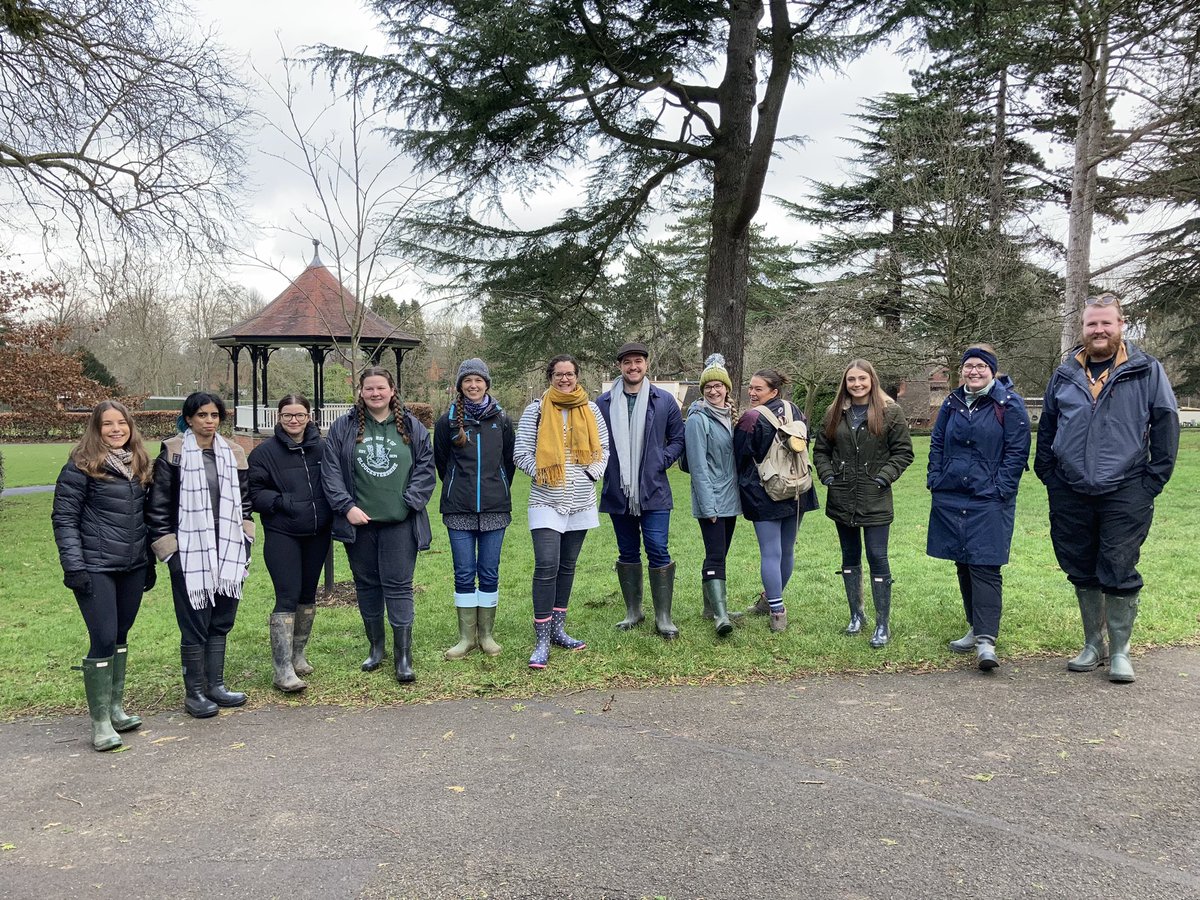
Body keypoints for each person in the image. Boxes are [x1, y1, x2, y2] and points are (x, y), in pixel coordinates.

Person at [1035, 293, 1179, 683]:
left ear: (1120, 325)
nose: (1098, 330)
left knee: (1117, 565)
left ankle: (1120, 652)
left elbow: (1166, 424)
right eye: (1091, 324)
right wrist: (1048, 473)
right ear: (1082, 329)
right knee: (1080, 566)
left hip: (1127, 486)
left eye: (1106, 323)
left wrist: (1154, 479)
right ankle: (1092, 644)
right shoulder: (1064, 374)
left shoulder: (1146, 370)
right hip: (1069, 487)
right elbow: (1048, 426)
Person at [52, 401, 154, 750]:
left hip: (133, 565)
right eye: (107, 424)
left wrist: (149, 563)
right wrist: (74, 567)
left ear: (130, 427)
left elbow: (144, 518)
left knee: (121, 634)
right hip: (95, 567)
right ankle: (98, 724)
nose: (115, 429)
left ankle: (114, 708)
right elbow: (64, 520)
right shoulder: (79, 468)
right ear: (95, 429)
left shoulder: (139, 464)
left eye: (121, 423)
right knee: (104, 637)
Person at [323, 366, 436, 683]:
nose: (375, 393)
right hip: (359, 524)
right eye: (369, 388)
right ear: (360, 391)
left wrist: (409, 502)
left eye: (380, 388)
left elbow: (426, 470)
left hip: (400, 523)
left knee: (399, 587)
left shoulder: (411, 427)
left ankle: (403, 656)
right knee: (367, 586)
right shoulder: (343, 428)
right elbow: (330, 472)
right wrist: (346, 507)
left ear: (392, 391)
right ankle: (376, 648)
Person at [146, 392, 254, 718]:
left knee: (221, 619)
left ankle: (215, 686)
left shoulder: (233, 453)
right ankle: (194, 693)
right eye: (202, 415)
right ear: (189, 419)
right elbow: (158, 509)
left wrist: (246, 539)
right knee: (195, 622)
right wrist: (171, 555)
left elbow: (245, 504)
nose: (209, 421)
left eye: (214, 415)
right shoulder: (173, 455)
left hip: (229, 549)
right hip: (189, 553)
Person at [927, 345, 1030, 670]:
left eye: (980, 366)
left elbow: (1017, 451)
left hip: (989, 497)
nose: (973, 371)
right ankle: (974, 628)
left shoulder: (1009, 404)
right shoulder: (952, 402)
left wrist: (1002, 488)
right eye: (968, 366)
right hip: (952, 492)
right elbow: (938, 441)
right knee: (962, 560)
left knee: (985, 563)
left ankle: (987, 641)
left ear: (992, 370)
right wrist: (935, 477)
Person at [513, 354, 609, 669]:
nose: (564, 379)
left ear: (577, 376)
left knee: (567, 566)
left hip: (581, 500)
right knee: (546, 564)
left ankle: (558, 629)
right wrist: (542, 473)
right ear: (550, 377)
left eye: (569, 374)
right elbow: (521, 452)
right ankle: (541, 636)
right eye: (558, 374)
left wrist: (591, 474)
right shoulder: (536, 410)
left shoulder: (591, 409)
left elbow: (604, 449)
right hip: (545, 499)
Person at [814, 359, 914, 647]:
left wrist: (883, 477)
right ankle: (856, 615)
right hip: (842, 496)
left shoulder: (890, 412)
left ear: (872, 380)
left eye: (862, 379)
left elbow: (903, 452)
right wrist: (829, 476)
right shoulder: (835, 413)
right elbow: (821, 449)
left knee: (877, 556)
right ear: (845, 383)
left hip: (875, 498)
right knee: (849, 556)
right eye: (851, 380)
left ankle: (883, 623)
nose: (856, 384)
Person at [596, 341, 686, 638]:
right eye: (627, 362)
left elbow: (678, 437)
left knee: (658, 548)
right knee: (627, 550)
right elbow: (594, 442)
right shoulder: (603, 404)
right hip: (617, 490)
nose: (633, 367)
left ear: (646, 365)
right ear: (619, 367)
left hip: (654, 489)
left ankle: (663, 616)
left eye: (638, 361)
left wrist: (662, 460)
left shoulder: (664, 401)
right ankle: (634, 611)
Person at [247, 394, 333, 693]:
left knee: (308, 594)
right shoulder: (264, 453)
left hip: (317, 533)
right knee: (287, 595)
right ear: (278, 418)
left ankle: (298, 655)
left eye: (299, 415)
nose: (294, 420)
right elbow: (253, 494)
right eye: (287, 415)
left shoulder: (323, 448)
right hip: (283, 533)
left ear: (309, 416)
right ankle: (282, 668)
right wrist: (284, 502)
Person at [433, 358, 516, 660]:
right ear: (460, 385)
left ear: (487, 384)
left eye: (478, 380)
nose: (473, 385)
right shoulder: (446, 421)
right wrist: (458, 486)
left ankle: (487, 635)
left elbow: (508, 461)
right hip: (459, 510)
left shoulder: (502, 420)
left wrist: (497, 485)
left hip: (495, 508)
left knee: (489, 572)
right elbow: (441, 462)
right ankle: (466, 637)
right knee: (464, 573)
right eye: (467, 380)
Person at [732, 368, 819, 632]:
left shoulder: (751, 418)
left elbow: (739, 456)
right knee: (786, 550)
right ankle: (769, 602)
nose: (752, 392)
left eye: (758, 388)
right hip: (798, 488)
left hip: (765, 492)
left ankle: (777, 611)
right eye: (750, 387)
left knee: (771, 552)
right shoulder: (796, 411)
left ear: (774, 391)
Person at [684, 354, 740, 637]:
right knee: (716, 555)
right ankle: (720, 616)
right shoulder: (698, 419)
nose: (714, 390)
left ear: (727, 388)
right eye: (709, 386)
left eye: (719, 386)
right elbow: (697, 467)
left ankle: (711, 607)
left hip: (731, 499)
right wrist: (708, 505)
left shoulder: (730, 416)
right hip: (713, 499)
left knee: (719, 553)